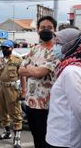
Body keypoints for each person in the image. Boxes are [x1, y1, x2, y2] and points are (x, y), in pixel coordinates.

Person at [18, 16, 58, 148]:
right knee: (36, 137)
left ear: (54, 30)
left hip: (48, 104)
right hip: (31, 102)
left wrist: (30, 68)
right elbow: (20, 70)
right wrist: (33, 69)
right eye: (42, 28)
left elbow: (39, 73)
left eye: (49, 28)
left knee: (47, 140)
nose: (46, 30)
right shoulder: (35, 49)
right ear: (37, 30)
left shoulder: (57, 51)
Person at [0, 40, 24, 148]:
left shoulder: (18, 60)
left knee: (15, 112)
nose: (4, 49)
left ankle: (17, 138)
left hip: (12, 89)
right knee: (1, 111)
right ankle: (7, 133)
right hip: (1, 88)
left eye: (7, 47)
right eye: (3, 48)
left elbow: (23, 75)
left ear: (12, 48)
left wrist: (23, 91)